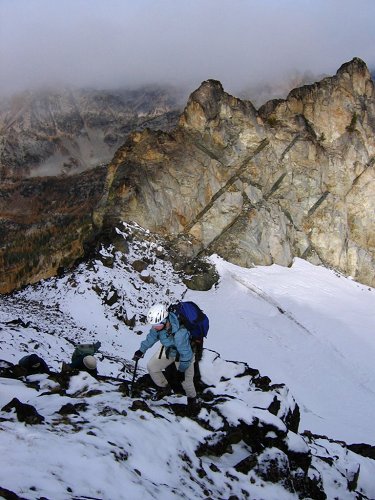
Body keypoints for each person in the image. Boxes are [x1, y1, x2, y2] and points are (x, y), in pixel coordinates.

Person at [133, 303, 197, 407]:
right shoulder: (159, 326)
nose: (154, 327)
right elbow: (152, 337)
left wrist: (181, 370)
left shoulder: (180, 333)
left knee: (186, 382)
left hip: (184, 355)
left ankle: (192, 400)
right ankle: (165, 388)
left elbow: (186, 355)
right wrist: (141, 350)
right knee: (152, 367)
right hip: (168, 350)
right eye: (153, 325)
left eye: (157, 325)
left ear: (165, 320)